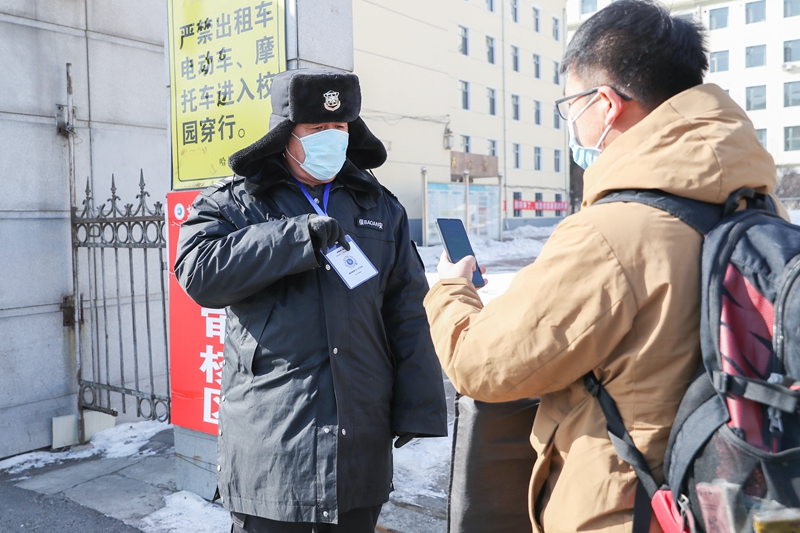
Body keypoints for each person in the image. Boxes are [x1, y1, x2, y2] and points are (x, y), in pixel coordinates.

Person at [423, 1, 787, 531]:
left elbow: (483, 364)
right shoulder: (760, 208)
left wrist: (450, 292)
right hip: (730, 497)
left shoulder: (611, 233)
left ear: (607, 104)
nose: (571, 123)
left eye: (571, 105)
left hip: (628, 510)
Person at [174, 68, 447, 533]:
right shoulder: (235, 201)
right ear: (286, 135)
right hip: (272, 443)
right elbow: (199, 273)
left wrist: (418, 404)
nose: (332, 137)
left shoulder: (379, 205)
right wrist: (294, 237)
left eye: (340, 127)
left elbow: (407, 309)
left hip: (359, 440)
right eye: (318, 128)